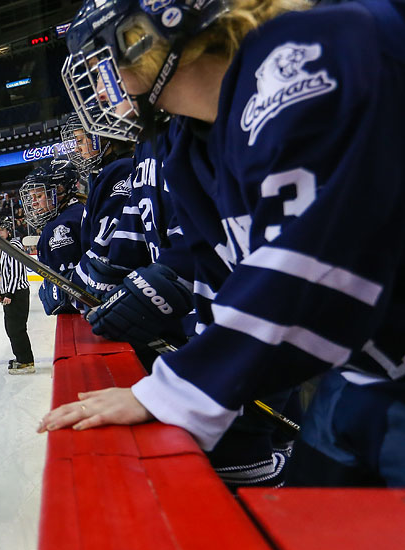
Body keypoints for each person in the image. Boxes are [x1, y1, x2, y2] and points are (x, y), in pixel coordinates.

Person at [45, 0, 405, 487]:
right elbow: (225, 283)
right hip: (366, 375)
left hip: (381, 372)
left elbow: (318, 266)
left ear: (149, 33)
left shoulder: (309, 51)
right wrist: (185, 364)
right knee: (310, 537)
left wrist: (179, 389)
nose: (105, 84)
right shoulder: (189, 147)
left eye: (107, 57)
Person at [22, 156, 84, 316]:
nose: (34, 203)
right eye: (32, 197)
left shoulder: (60, 225)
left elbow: (64, 291)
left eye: (39, 196)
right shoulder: (78, 209)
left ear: (60, 191)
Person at [0, 219, 35, 374]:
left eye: (2, 231)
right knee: (12, 328)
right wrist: (2, 292)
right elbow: (7, 273)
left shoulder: (13, 246)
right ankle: (21, 357)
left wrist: (9, 293)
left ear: (8, 231)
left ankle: (26, 362)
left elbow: (17, 272)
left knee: (16, 328)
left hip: (17, 294)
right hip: (12, 293)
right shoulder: (5, 247)